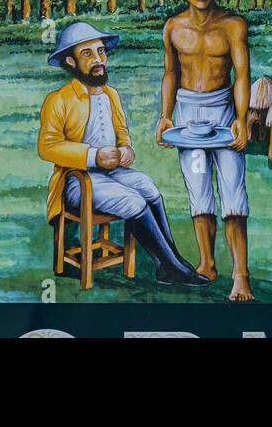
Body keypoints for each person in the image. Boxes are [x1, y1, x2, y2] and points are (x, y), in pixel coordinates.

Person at [38, 21, 209, 288]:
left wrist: (126, 149)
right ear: (70, 61)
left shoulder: (111, 95)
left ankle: (170, 261)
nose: (98, 60)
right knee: (132, 201)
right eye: (88, 54)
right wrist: (93, 156)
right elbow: (47, 146)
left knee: (149, 189)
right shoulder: (58, 99)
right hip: (76, 181)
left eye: (101, 52)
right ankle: (170, 267)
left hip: (112, 173)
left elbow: (121, 131)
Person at [156, 0, 255, 301]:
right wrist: (165, 116)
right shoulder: (173, 27)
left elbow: (242, 76)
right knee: (199, 192)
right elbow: (170, 74)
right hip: (187, 116)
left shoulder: (232, 25)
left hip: (223, 113)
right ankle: (207, 264)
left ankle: (240, 275)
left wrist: (241, 119)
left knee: (233, 194)